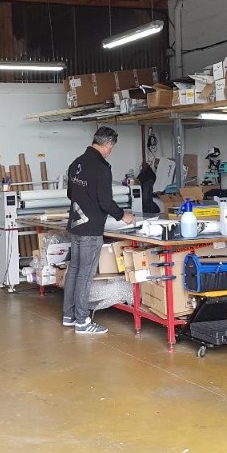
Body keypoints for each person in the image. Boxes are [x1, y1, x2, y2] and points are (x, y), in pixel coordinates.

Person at [62, 126, 134, 334]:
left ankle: (69, 315)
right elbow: (105, 202)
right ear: (108, 144)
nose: (111, 151)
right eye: (112, 147)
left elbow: (70, 194)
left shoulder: (76, 163)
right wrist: (123, 215)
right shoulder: (102, 168)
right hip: (90, 230)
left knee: (74, 270)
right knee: (85, 274)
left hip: (75, 226)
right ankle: (82, 321)